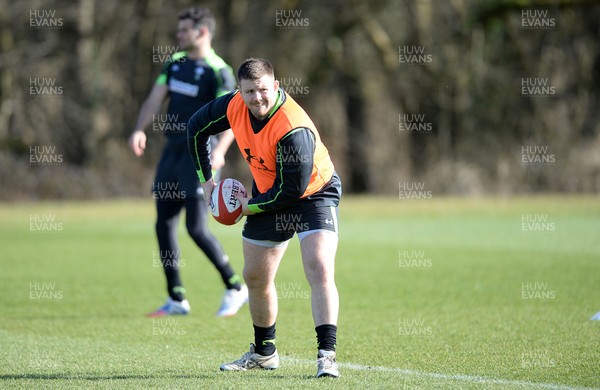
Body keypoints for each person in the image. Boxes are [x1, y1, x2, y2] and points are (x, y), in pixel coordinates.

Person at [187, 58, 342, 378]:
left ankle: (326, 355)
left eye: (262, 90)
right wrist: (207, 185)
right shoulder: (233, 105)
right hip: (268, 191)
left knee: (319, 265)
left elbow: (289, 192)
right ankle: (263, 353)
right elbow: (195, 129)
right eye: (249, 91)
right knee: (255, 275)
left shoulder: (292, 127)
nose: (257, 98)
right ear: (239, 91)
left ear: (275, 86)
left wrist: (244, 208)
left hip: (313, 193)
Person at [128, 7, 248, 318]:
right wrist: (140, 128)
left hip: (201, 155)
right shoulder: (175, 62)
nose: (178, 35)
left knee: (196, 227)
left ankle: (235, 287)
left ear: (202, 33)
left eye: (184, 30)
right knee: (163, 224)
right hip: (171, 152)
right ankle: (177, 298)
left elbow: (232, 118)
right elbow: (155, 98)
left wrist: (220, 149)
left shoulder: (218, 70)